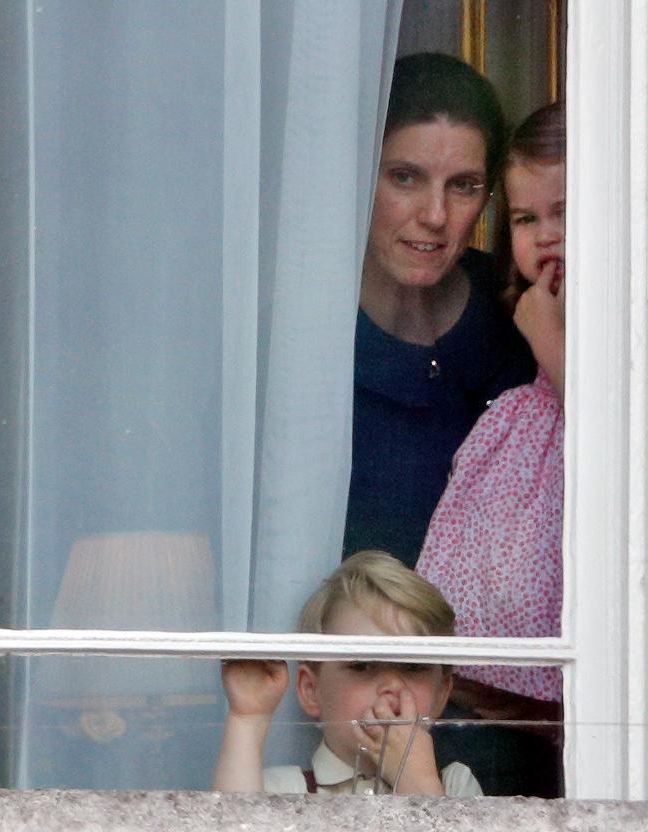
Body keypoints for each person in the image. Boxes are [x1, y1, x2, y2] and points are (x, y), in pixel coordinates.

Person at [417, 102, 566, 792]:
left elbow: (616, 440)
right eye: (526, 218)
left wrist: (549, 342)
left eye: (564, 212)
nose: (545, 238)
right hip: (496, 705)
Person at [343, 52, 536, 569]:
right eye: (405, 177)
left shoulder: (521, 308)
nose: (435, 216)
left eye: (463, 186)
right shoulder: (304, 323)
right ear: (360, 174)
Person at [212, 550, 482, 796]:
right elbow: (235, 821)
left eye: (413, 666)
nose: (392, 685)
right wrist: (247, 718)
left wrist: (417, 782)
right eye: (362, 665)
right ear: (311, 691)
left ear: (441, 694)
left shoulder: (454, 788)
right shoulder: (285, 791)